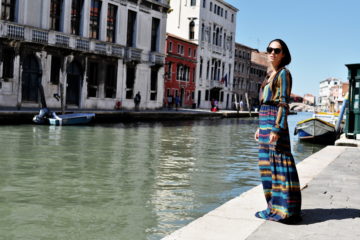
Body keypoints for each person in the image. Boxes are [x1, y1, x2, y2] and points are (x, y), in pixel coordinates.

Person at [254, 39, 302, 223]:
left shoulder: (284, 74)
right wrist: (260, 127)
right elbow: (264, 103)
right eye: (269, 49)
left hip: (274, 123)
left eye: (277, 50)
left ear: (283, 54)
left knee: (280, 164)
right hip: (264, 122)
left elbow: (283, 103)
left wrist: (277, 128)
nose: (272, 53)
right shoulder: (269, 75)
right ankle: (272, 206)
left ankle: (286, 210)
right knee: (266, 167)